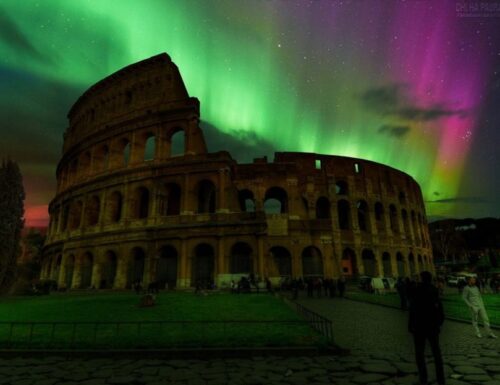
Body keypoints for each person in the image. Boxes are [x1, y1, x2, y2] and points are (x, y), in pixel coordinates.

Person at [408, 271, 445, 385]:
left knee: (419, 353)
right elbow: (440, 311)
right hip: (433, 327)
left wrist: (410, 325)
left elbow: (412, 309)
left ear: (422, 279)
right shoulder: (434, 290)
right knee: (436, 353)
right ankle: (441, 379)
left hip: (419, 326)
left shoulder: (416, 290)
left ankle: (423, 379)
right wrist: (438, 323)